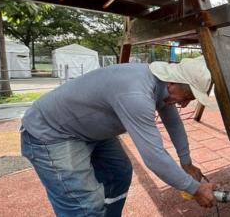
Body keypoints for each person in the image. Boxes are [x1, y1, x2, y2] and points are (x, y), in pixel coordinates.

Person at [20, 56, 219, 216]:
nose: (183, 105)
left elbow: (174, 123)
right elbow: (154, 157)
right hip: (52, 133)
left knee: (118, 173)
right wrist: (195, 189)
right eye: (185, 98)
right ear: (173, 83)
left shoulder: (161, 84)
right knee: (84, 206)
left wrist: (186, 163)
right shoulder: (136, 95)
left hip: (85, 129)